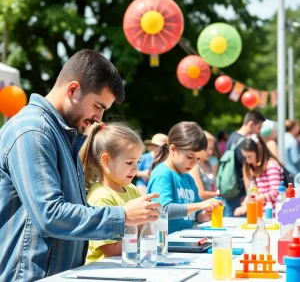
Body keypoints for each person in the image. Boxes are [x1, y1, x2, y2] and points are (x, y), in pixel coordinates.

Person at [0, 49, 161, 282]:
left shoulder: (63, 133)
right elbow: (50, 215)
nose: (100, 118)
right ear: (73, 89)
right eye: (98, 106)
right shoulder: (33, 131)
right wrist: (122, 215)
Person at [79, 122, 144, 264]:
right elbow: (111, 251)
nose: (135, 168)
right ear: (106, 160)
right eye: (129, 162)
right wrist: (140, 225)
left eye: (137, 162)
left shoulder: (132, 189)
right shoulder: (100, 198)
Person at [147, 122, 223, 234]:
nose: (194, 163)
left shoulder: (188, 178)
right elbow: (164, 210)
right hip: (166, 246)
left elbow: (195, 215)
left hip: (184, 242)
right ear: (172, 149)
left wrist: (203, 215)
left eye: (198, 159)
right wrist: (200, 205)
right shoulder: (162, 174)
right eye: (190, 157)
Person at [224, 110, 265, 217]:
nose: (259, 132)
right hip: (240, 194)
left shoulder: (232, 137)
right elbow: (246, 173)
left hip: (229, 189)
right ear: (251, 124)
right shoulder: (244, 143)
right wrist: (250, 197)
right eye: (259, 128)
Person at [234, 134, 283, 216]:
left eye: (249, 156)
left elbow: (275, 192)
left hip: (273, 215)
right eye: (245, 157)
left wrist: (255, 199)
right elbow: (253, 192)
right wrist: (246, 202)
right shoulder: (255, 169)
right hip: (261, 214)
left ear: (258, 152)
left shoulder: (271, 166)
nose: (247, 161)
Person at [189, 131, 217, 200]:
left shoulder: (209, 164)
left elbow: (214, 186)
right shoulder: (194, 166)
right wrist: (219, 194)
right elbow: (200, 193)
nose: (210, 152)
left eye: (211, 149)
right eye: (207, 149)